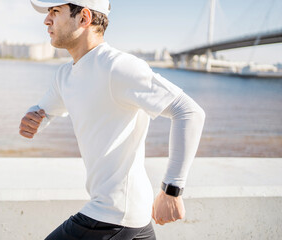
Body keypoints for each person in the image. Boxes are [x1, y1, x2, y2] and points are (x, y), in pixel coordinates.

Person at [20, 0, 205, 239]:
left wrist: (171, 190)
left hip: (112, 216)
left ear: (84, 18)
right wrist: (34, 119)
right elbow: (46, 109)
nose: (47, 20)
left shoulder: (118, 67)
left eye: (55, 12)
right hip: (127, 218)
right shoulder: (65, 75)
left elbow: (189, 111)